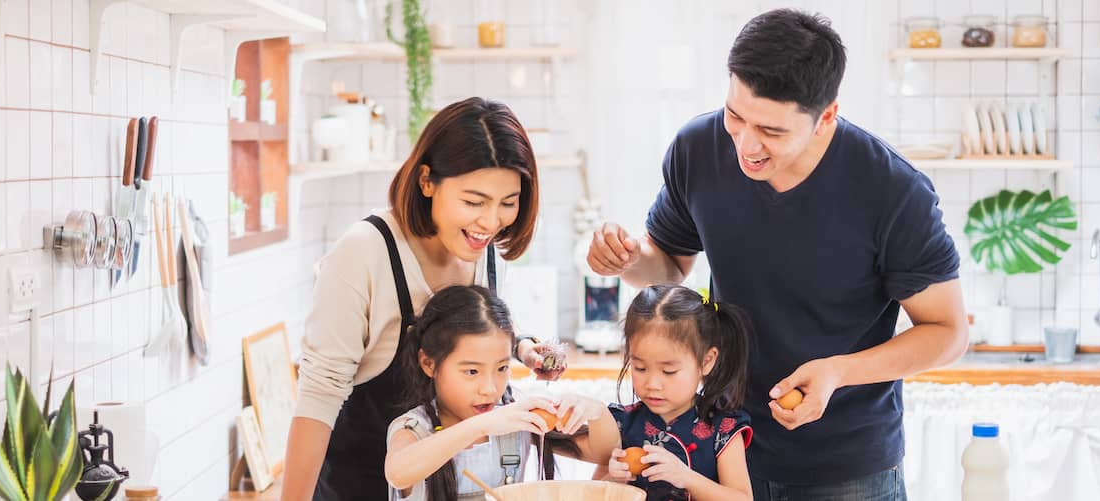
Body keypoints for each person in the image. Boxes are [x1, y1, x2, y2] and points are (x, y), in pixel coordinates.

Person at [586, 9, 968, 500]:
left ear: (825, 116)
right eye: (735, 115)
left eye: (771, 130)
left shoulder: (892, 191)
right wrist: (628, 261)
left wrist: (838, 372)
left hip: (845, 465)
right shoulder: (697, 149)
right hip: (721, 449)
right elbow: (669, 266)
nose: (745, 144)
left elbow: (948, 333)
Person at [282, 97, 566, 501]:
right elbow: (318, 396)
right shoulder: (365, 251)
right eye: (473, 201)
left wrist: (520, 347)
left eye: (508, 203)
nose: (490, 222)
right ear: (427, 181)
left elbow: (468, 329)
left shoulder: (484, 252)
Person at [385, 285, 620, 500]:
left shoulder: (512, 424)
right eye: (471, 371)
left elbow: (605, 456)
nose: (489, 388)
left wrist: (597, 412)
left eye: (502, 368)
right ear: (429, 364)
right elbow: (398, 473)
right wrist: (483, 425)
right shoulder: (414, 429)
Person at [595, 284, 754, 501]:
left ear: (706, 361)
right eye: (640, 368)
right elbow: (594, 492)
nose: (652, 383)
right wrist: (613, 480)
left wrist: (686, 478)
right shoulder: (621, 424)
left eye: (668, 371)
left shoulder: (722, 430)